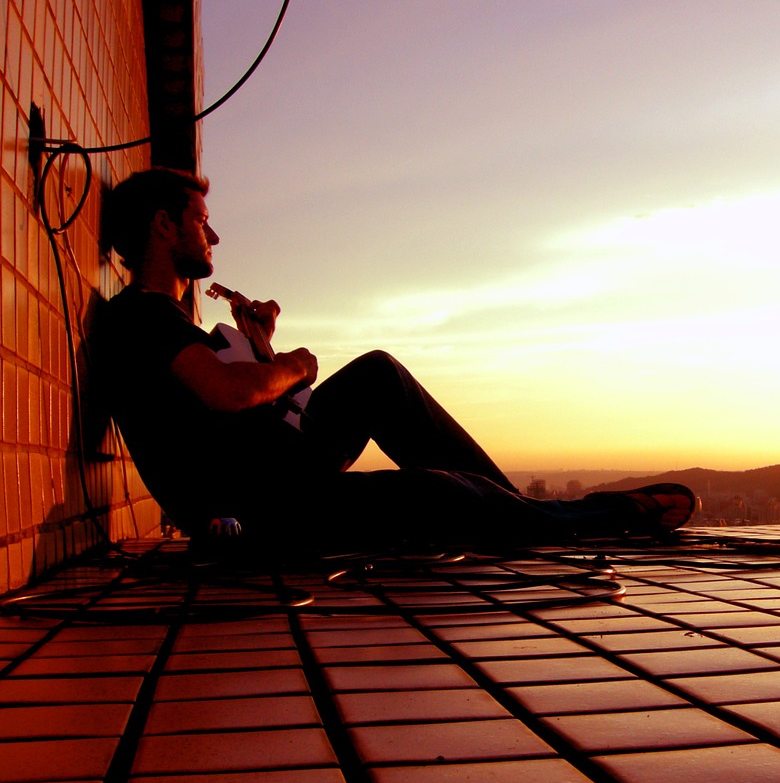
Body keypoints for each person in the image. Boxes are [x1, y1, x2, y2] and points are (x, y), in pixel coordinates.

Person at [97, 167, 696, 552]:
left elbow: (240, 406)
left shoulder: (173, 322)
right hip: (258, 508)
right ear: (161, 225)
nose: (215, 237)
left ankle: (523, 513)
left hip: (279, 473)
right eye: (201, 222)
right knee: (442, 495)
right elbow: (228, 395)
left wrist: (263, 353)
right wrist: (297, 365)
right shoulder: (141, 317)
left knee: (378, 375)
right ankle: (608, 514)